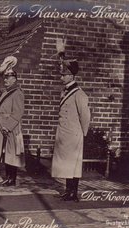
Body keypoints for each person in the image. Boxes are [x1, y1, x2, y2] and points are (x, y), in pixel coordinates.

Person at [51, 59, 90, 202]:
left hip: (73, 134)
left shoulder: (79, 94)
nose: (61, 77)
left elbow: (85, 116)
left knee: (73, 163)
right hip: (64, 133)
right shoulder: (65, 91)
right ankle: (68, 191)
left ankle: (74, 193)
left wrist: (82, 134)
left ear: (71, 76)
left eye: (63, 75)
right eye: (61, 74)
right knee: (67, 164)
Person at [0, 69, 25, 186]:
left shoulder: (17, 93)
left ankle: (11, 178)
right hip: (0, 125)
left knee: (11, 153)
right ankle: (7, 176)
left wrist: (8, 127)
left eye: (8, 78)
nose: (5, 80)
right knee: (2, 152)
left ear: (14, 79)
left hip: (10, 126)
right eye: (5, 78)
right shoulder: (4, 92)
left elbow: (18, 112)